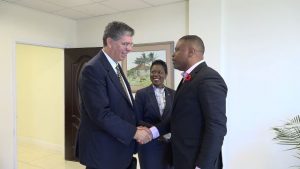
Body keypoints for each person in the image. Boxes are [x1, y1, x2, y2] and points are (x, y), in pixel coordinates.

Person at [76, 21, 152, 169]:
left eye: (131, 44)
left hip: (119, 150)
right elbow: (101, 114)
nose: (129, 49)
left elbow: (124, 108)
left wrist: (142, 127)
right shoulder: (92, 69)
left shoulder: (115, 66)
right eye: (125, 44)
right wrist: (134, 132)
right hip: (103, 154)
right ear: (110, 42)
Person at [151, 35, 228, 169]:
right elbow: (178, 118)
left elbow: (216, 127)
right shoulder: (189, 78)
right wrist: (152, 132)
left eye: (178, 50)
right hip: (183, 159)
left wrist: (202, 166)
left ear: (191, 52)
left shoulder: (208, 78)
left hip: (197, 163)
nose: (173, 55)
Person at [135, 60, 175, 169]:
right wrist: (158, 132)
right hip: (149, 146)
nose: (156, 75)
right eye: (153, 72)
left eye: (159, 72)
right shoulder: (141, 94)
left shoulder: (174, 94)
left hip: (170, 147)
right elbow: (137, 120)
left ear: (165, 74)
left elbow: (176, 119)